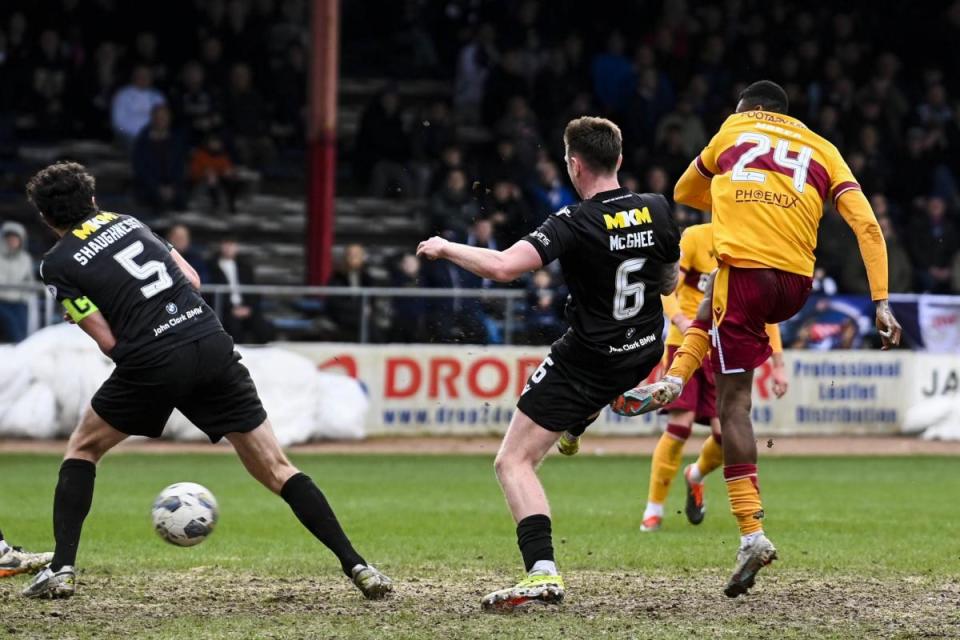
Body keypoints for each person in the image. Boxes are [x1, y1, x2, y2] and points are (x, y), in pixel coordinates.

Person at [22, 162, 391, 600]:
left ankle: (61, 570)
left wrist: (118, 332)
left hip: (152, 359)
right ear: (93, 200)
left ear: (47, 219)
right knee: (277, 467)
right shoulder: (130, 223)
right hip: (209, 339)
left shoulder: (56, 264)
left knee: (83, 448)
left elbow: (107, 341)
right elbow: (193, 280)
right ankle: (359, 566)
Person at [617, 81, 901, 598]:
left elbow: (684, 191)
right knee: (711, 307)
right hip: (793, 285)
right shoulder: (824, 147)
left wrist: (728, 193)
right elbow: (867, 226)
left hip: (746, 274)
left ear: (748, 109)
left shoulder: (733, 129)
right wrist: (881, 300)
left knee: (735, 407)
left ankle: (751, 532)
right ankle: (675, 377)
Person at [417, 117, 680, 610]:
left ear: (574, 164)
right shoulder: (659, 209)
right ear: (619, 160)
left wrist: (444, 246)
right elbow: (668, 284)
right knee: (600, 382)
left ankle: (542, 573)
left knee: (513, 461)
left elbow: (501, 268)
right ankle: (599, 408)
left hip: (589, 359)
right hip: (645, 347)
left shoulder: (572, 222)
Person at [557, 221, 790, 532]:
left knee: (726, 436)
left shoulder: (753, 243)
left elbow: (764, 311)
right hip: (686, 342)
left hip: (726, 345)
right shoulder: (696, 237)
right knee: (680, 424)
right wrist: (680, 319)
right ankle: (653, 511)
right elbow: (666, 287)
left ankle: (695, 475)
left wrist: (779, 362)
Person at [208, 238, 274, 344]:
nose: (229, 248)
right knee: (233, 327)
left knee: (263, 327)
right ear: (221, 246)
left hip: (246, 308)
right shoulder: (212, 267)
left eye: (232, 244)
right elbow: (213, 294)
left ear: (236, 247)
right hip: (225, 310)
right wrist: (231, 309)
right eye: (226, 244)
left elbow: (254, 291)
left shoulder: (245, 267)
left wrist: (249, 308)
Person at [0, 222, 36, 343]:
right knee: (12, 330)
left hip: (19, 303)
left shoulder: (26, 259)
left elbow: (30, 281)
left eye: (15, 238)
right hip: (1, 301)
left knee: (22, 335)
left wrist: (24, 296)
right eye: (9, 238)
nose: (12, 241)